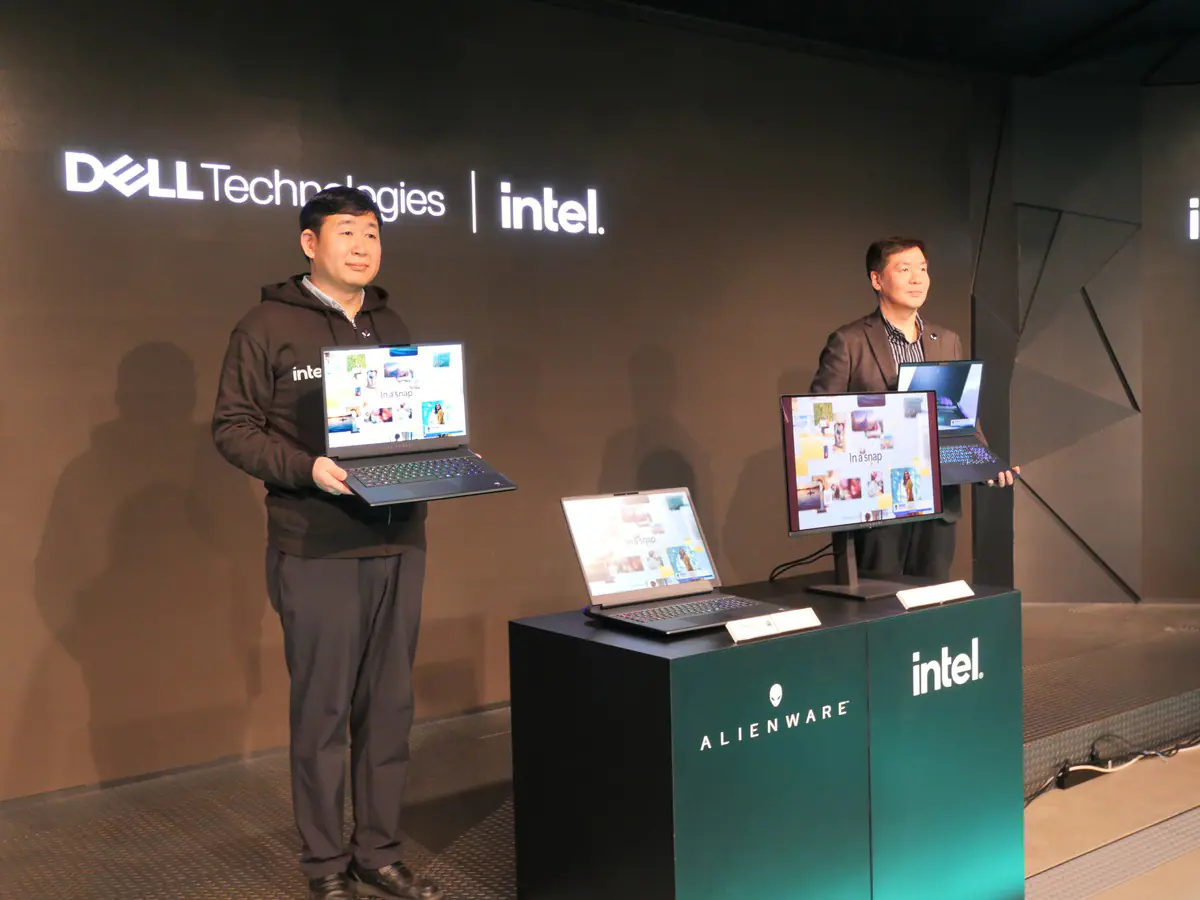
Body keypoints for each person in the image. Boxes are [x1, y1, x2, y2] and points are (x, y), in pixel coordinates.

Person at [212, 186, 442, 900]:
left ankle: (379, 853)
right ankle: (323, 865)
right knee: (323, 714)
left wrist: (438, 451)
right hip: (316, 544)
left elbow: (406, 420)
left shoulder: (390, 321)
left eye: (372, 232)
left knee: (390, 708)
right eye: (348, 232)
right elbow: (233, 428)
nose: (363, 246)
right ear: (310, 243)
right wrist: (307, 467)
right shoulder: (265, 324)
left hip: (399, 538)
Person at [809, 237, 1018, 582]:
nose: (917, 278)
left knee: (931, 601)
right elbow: (820, 419)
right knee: (879, 602)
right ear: (877, 279)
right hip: (877, 507)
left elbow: (960, 415)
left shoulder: (947, 339)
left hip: (937, 502)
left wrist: (984, 463)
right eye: (904, 269)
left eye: (923, 269)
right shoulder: (849, 342)